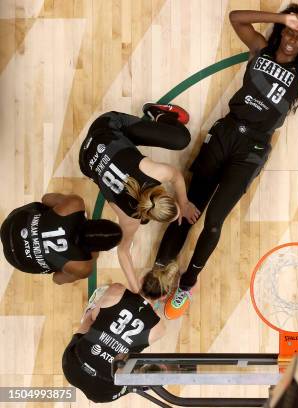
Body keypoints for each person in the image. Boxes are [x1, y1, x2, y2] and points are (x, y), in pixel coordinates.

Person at [155, 4, 298, 319]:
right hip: (226, 133)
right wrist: (282, 19)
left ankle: (187, 282)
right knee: (189, 206)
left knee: (214, 220)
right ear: (282, 30)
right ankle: (159, 270)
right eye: (289, 32)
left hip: (252, 150)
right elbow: (235, 18)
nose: (291, 40)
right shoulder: (260, 48)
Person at [79, 104, 201, 292]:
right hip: (94, 147)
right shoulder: (130, 218)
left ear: (163, 194)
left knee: (181, 138)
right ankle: (158, 115)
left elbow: (176, 176)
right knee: (182, 138)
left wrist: (183, 203)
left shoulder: (153, 173)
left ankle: (157, 116)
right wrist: (137, 292)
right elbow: (122, 252)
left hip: (98, 142)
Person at [61, 262, 179, 403]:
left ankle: (91, 307)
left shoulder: (116, 289)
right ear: (163, 297)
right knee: (130, 363)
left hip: (71, 367)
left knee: (91, 318)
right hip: (103, 392)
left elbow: (93, 319)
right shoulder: (159, 328)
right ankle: (143, 383)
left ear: (141, 280)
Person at [1, 193, 122, 284]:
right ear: (101, 249)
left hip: (11, 224)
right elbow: (57, 279)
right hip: (16, 259)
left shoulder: (75, 204)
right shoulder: (83, 267)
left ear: (99, 221)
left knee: (52, 207)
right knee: (64, 267)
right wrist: (93, 257)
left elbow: (46, 198)